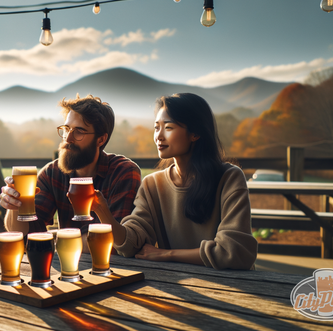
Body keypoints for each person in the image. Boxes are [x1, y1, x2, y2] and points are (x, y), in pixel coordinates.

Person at [91, 93, 258, 270]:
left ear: (195, 133)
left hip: (235, 284)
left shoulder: (229, 178)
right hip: (179, 282)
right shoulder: (152, 185)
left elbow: (234, 252)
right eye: (156, 128)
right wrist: (103, 212)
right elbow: (131, 244)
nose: (159, 137)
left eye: (168, 128)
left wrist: (167, 254)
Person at [0, 94, 142, 240]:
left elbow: (116, 241)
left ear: (101, 139)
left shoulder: (123, 172)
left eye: (79, 131)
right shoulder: (53, 172)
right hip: (65, 260)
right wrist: (14, 207)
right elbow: (26, 231)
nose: (68, 138)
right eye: (67, 129)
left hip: (111, 263)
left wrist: (56, 239)